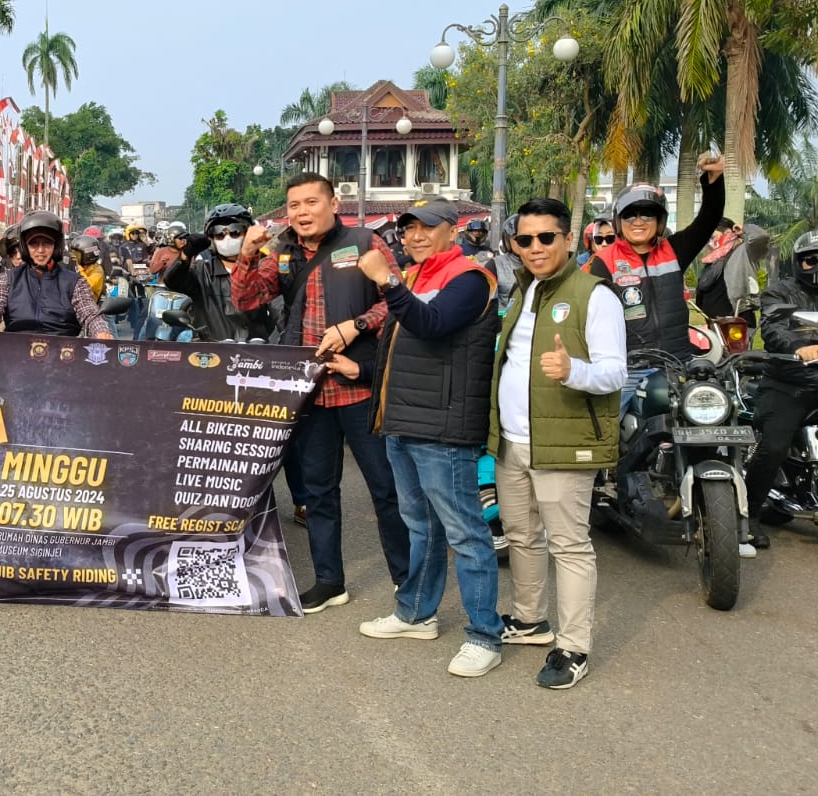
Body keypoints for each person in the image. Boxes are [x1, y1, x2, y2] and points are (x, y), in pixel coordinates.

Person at [231, 172, 408, 613]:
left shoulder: (365, 242)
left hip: (359, 384)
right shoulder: (282, 252)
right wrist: (247, 255)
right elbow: (247, 300)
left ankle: (408, 580)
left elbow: (396, 298)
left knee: (386, 488)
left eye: (311, 202)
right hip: (308, 389)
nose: (302, 212)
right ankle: (329, 581)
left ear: (333, 204)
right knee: (318, 492)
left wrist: (356, 326)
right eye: (294, 205)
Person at [355, 198, 505, 678]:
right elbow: (397, 348)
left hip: (443, 427)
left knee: (465, 533)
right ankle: (416, 613)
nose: (415, 236)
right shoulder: (418, 275)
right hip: (404, 421)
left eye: (426, 227)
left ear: (452, 231)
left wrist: (387, 281)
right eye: (408, 229)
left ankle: (484, 635)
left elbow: (432, 325)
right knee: (421, 525)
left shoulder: (470, 277)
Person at [489, 198, 626, 689]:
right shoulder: (523, 289)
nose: (535, 247)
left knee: (569, 545)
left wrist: (573, 371)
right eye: (525, 239)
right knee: (521, 535)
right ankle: (530, 620)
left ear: (568, 239)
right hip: (513, 442)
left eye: (546, 237)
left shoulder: (595, 296)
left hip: (564, 443)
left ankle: (573, 647)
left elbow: (615, 372)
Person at [588, 154, 725, 358]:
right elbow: (597, 319)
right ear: (618, 221)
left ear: (659, 221)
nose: (638, 221)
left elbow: (709, 219)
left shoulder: (674, 249)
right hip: (630, 365)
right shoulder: (604, 261)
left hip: (678, 361)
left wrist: (714, 179)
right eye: (630, 215)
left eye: (647, 214)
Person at [743, 231, 818, 554]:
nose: (816, 266)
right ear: (798, 262)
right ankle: (749, 515)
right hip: (788, 383)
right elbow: (774, 327)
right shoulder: (779, 292)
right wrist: (800, 347)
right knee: (774, 446)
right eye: (811, 260)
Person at [0, 211, 113, 339]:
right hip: (16, 349)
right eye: (33, 243)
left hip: (64, 350)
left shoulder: (75, 282)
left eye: (47, 243)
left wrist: (102, 332)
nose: (40, 250)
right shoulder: (7, 279)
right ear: (24, 247)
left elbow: (90, 313)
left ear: (56, 246)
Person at [164, 204, 273, 342]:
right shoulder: (201, 272)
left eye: (235, 231)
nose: (227, 238)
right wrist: (185, 255)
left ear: (247, 234)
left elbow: (281, 311)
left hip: (258, 352)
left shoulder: (264, 271)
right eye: (219, 234)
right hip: (209, 351)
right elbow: (172, 281)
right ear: (211, 238)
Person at [69, 234, 106, 300]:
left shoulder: (97, 271)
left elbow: (86, 286)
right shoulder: (77, 265)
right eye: (73, 253)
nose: (73, 256)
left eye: (77, 254)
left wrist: (78, 267)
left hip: (87, 303)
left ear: (88, 255)